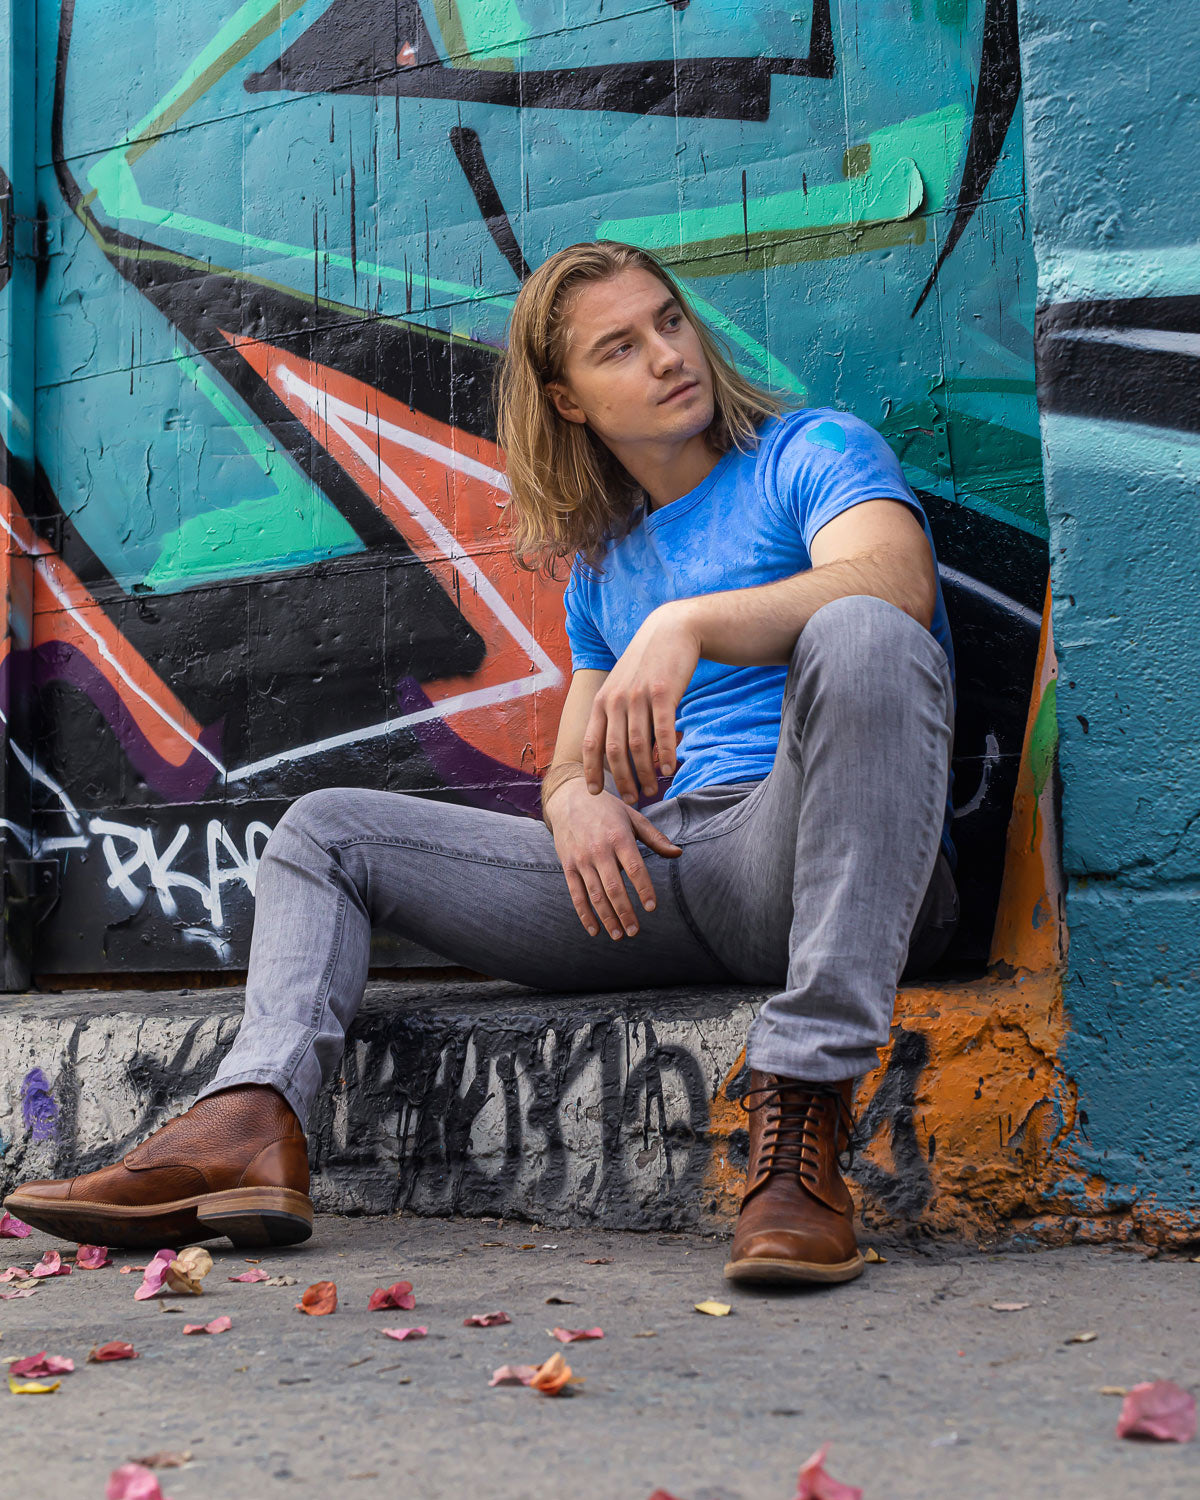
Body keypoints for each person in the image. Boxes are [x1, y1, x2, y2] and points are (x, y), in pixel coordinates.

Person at [6, 241, 959, 1286]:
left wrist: (690, 624)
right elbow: (568, 767)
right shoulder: (602, 568)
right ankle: (251, 1122)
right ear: (571, 400)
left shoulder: (810, 451)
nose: (668, 356)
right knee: (324, 831)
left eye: (671, 323)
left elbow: (896, 582)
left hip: (814, 851)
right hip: (668, 871)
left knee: (867, 634)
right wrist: (575, 803)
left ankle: (803, 1124)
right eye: (621, 347)